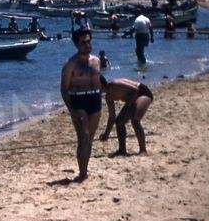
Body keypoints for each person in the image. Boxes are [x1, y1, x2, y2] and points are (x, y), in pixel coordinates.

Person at [60, 29, 103, 181]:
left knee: (89, 138)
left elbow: (99, 81)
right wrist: (71, 109)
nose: (87, 44)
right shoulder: (71, 64)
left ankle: (85, 170)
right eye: (83, 42)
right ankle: (82, 173)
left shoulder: (96, 61)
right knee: (83, 136)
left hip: (95, 99)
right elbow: (64, 89)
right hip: (78, 101)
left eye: (89, 41)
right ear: (76, 44)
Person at [99, 76, 153, 156]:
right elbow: (112, 117)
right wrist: (106, 134)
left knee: (135, 120)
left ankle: (143, 150)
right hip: (132, 99)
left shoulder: (114, 84)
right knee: (119, 122)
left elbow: (135, 89)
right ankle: (122, 150)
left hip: (142, 92)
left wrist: (128, 106)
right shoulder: (108, 97)